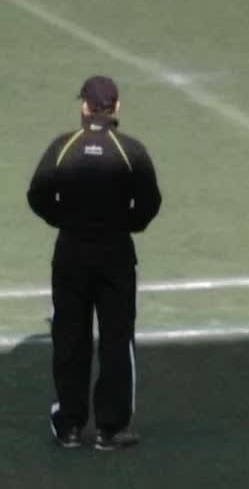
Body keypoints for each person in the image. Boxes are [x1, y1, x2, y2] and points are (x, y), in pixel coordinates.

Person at [28, 76, 162, 451]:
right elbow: (149, 202)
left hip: (71, 253)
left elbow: (37, 194)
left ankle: (69, 425)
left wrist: (63, 220)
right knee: (118, 340)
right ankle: (111, 429)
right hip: (116, 254)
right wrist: (127, 225)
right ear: (116, 107)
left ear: (85, 107)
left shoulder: (63, 146)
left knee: (69, 337)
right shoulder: (130, 151)